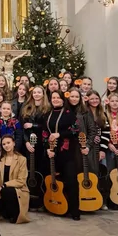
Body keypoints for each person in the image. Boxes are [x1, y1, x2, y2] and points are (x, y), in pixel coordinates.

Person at [44, 91, 81, 220]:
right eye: (53, 98)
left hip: (67, 153)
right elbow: (44, 133)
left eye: (57, 98)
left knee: (71, 181)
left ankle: (74, 210)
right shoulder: (47, 114)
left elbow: (76, 130)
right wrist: (47, 149)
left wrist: (60, 134)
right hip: (52, 153)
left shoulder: (68, 113)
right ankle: (57, 206)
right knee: (54, 182)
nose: (55, 100)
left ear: (62, 99)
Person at [0, 134, 30, 224]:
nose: (6, 146)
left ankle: (15, 214)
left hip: (17, 190)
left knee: (6, 191)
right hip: (3, 190)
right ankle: (7, 212)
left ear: (14, 143)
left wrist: (4, 186)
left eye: (8, 143)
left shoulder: (22, 159)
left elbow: (21, 181)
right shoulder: (0, 160)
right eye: (4, 144)